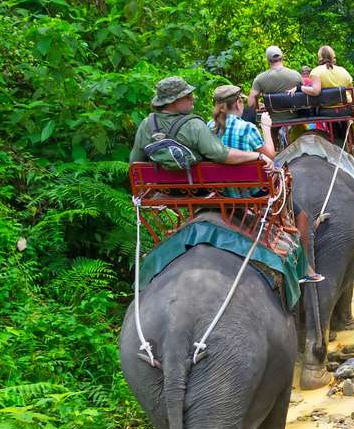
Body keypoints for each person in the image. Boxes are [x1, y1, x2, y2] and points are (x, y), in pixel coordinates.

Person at [209, 85, 324, 284]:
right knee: (302, 215)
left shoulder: (207, 127)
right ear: (238, 103)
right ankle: (304, 267)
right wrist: (266, 127)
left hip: (221, 192)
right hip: (252, 193)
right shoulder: (247, 128)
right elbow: (270, 154)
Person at [130, 76, 270, 167]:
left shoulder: (146, 123)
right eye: (187, 96)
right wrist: (258, 156)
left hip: (163, 190)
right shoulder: (193, 125)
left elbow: (135, 163)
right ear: (173, 101)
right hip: (195, 190)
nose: (193, 98)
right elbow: (222, 155)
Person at [247, 46, 304, 127]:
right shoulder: (296, 75)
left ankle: (274, 139)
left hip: (273, 122)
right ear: (282, 57)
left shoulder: (260, 79)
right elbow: (305, 96)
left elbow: (250, 103)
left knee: (272, 131)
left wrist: (258, 104)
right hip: (296, 119)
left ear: (267, 60)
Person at [310, 46, 354, 144]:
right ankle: (348, 142)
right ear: (333, 56)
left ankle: (336, 141)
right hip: (345, 109)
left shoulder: (316, 71)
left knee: (331, 119)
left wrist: (303, 88)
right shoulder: (343, 71)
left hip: (326, 111)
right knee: (343, 121)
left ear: (319, 57)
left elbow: (315, 91)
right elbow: (352, 92)